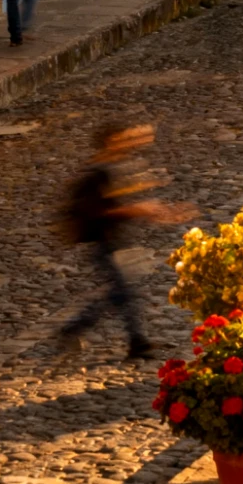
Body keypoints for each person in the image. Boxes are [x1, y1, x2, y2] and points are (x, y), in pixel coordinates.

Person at [57, 122, 185, 359]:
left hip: (113, 240)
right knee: (121, 293)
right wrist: (137, 210)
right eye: (124, 140)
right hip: (101, 242)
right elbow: (98, 211)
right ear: (111, 141)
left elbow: (120, 204)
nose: (131, 145)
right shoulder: (96, 174)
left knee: (119, 293)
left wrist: (158, 212)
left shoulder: (113, 170)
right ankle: (134, 341)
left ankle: (88, 331)